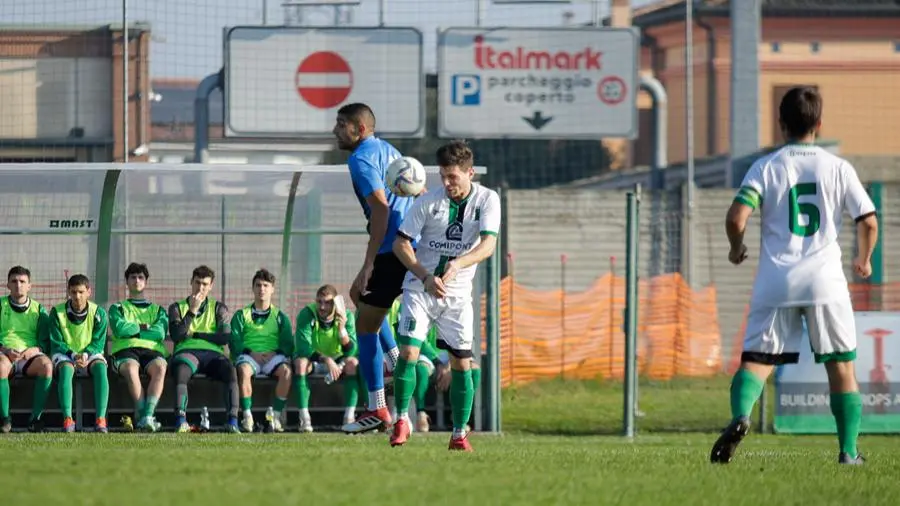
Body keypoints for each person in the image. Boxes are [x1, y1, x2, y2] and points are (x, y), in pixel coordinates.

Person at [711, 86, 876, 466]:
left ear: (781, 124)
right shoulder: (837, 167)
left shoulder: (766, 166)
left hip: (777, 279)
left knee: (756, 361)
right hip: (825, 281)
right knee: (841, 366)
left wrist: (736, 248)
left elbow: (737, 217)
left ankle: (740, 417)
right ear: (819, 124)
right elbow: (868, 220)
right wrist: (864, 259)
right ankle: (849, 453)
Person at [389, 140, 501, 451]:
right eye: (443, 176)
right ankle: (400, 421)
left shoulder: (488, 200)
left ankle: (458, 434)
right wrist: (425, 276)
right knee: (409, 353)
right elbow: (401, 244)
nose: (447, 183)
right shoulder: (427, 202)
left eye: (453, 176)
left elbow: (488, 245)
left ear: (470, 173)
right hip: (419, 288)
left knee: (462, 364)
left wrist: (458, 263)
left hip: (458, 295)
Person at [333, 102, 414, 433]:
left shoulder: (361, 157)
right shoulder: (390, 150)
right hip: (410, 242)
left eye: (341, 125)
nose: (335, 130)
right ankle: (394, 362)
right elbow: (414, 186)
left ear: (360, 129)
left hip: (389, 248)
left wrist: (369, 262)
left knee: (364, 325)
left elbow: (380, 209)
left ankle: (377, 408)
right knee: (360, 300)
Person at [168, 265, 239, 433]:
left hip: (213, 355)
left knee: (230, 370)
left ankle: (233, 421)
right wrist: (192, 310)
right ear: (191, 282)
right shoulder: (176, 307)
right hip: (187, 353)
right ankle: (181, 420)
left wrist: (197, 335)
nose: (200, 288)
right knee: (181, 371)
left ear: (211, 286)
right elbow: (177, 335)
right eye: (197, 283)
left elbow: (225, 337)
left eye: (205, 284)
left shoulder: (219, 308)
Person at [230, 268, 293, 433]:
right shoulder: (241, 315)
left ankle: (276, 416)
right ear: (253, 288)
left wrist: (275, 352)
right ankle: (247, 417)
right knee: (243, 370)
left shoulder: (280, 317)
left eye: (266, 285)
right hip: (249, 356)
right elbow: (234, 342)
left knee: (286, 372)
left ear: (272, 289)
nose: (261, 289)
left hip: (272, 357)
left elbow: (288, 344)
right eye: (258, 285)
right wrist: (252, 353)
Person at [293, 284, 363, 432]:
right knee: (300, 363)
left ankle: (349, 417)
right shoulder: (307, 314)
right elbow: (303, 348)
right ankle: (304, 418)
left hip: (339, 360)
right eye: (319, 301)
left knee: (353, 363)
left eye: (328, 302)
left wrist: (341, 329)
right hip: (315, 358)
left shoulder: (347, 316)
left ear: (336, 304)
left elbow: (352, 350)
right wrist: (327, 360)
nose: (322, 307)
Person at [108, 262, 169, 432]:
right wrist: (145, 328)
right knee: (130, 368)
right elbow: (120, 329)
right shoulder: (117, 308)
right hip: (126, 349)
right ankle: (143, 415)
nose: (137, 280)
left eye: (141, 277)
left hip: (152, 350)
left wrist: (133, 328)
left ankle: (147, 415)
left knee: (160, 367)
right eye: (133, 277)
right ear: (126, 282)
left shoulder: (158, 310)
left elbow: (159, 333)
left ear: (146, 282)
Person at [49, 274, 110, 433]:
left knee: (101, 368)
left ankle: (101, 419)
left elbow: (98, 342)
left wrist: (85, 355)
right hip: (65, 354)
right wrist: (73, 355)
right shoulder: (57, 312)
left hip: (89, 354)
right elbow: (56, 341)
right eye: (74, 292)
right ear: (68, 291)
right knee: (66, 369)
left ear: (89, 292)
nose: (77, 296)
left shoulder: (99, 313)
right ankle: (68, 419)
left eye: (81, 292)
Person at [0, 266, 52, 433]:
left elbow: (45, 341)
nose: (18, 285)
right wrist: (5, 349)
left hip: (30, 356)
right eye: (14, 281)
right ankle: (4, 418)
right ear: (7, 285)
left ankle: (35, 418)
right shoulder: (1, 305)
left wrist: (34, 350)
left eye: (22, 282)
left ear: (30, 286)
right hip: (5, 354)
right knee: (0, 366)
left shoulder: (39, 309)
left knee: (47, 366)